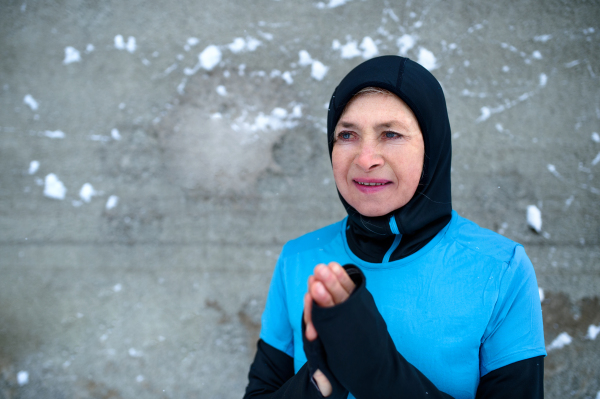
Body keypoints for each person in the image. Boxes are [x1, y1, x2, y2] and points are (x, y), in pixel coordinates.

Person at [243, 55, 546, 399]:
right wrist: (320, 382)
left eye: (390, 134)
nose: (365, 158)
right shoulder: (298, 259)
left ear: (431, 146)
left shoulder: (501, 270)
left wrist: (375, 368)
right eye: (347, 134)